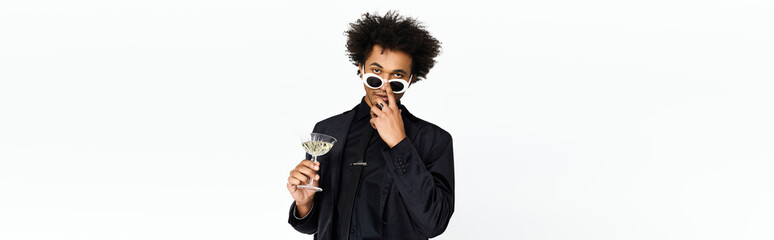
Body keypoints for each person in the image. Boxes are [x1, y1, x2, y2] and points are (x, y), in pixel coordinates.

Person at [286, 11, 454, 240]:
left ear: (411, 79)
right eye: (375, 73)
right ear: (361, 68)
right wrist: (304, 203)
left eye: (396, 78)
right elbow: (314, 226)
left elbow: (434, 223)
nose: (384, 87)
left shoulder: (434, 141)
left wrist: (400, 144)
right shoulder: (327, 132)